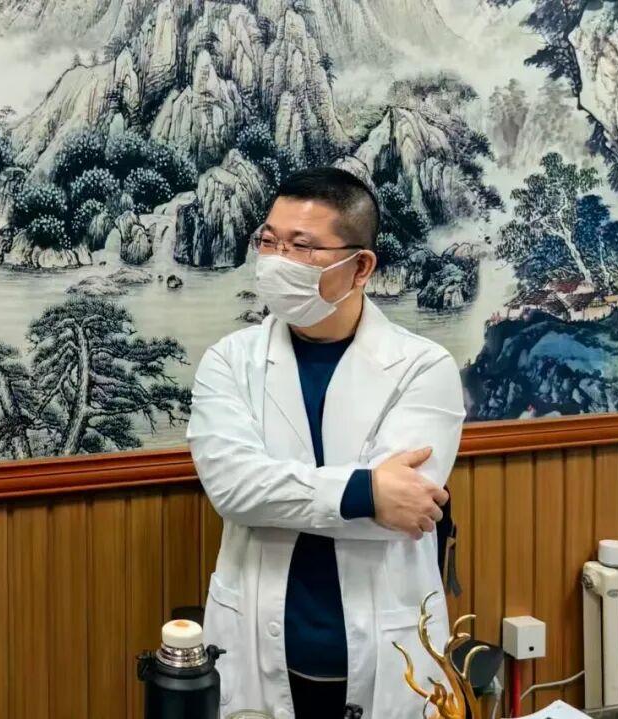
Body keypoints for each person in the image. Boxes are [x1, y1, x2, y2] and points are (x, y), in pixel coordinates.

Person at [187, 167, 465, 718]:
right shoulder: (229, 362)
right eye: (269, 241)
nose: (276, 260)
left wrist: (287, 493)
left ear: (360, 267)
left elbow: (406, 508)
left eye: (302, 247)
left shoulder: (423, 367)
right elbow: (235, 490)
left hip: (389, 652)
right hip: (259, 643)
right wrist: (366, 493)